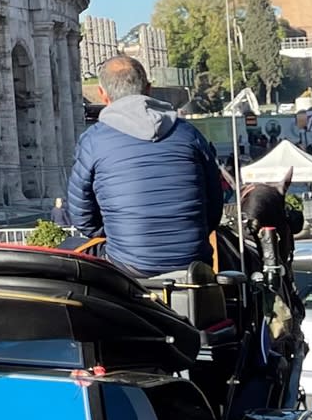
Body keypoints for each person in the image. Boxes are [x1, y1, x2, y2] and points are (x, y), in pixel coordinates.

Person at [64, 56, 227, 277]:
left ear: (103, 95)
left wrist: (118, 228)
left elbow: (81, 215)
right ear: (148, 89)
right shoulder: (189, 134)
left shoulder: (93, 140)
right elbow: (215, 204)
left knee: (67, 251)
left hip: (128, 267)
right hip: (193, 263)